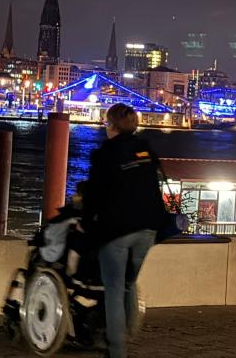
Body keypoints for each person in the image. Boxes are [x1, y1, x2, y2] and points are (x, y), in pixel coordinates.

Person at [82, 104, 166, 358]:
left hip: (117, 230)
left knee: (114, 290)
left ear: (112, 126)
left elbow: (94, 195)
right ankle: (129, 330)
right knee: (129, 283)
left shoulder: (105, 153)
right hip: (149, 228)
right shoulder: (145, 149)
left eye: (106, 124)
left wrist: (87, 222)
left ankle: (117, 350)